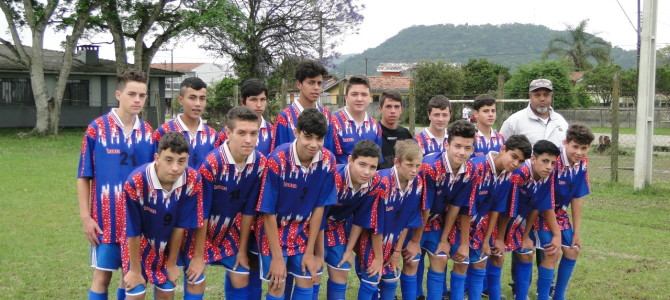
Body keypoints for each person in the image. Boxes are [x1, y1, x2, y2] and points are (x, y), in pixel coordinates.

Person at [77, 70, 155, 300]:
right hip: (105, 220)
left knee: (129, 277)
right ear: (118, 94)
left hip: (137, 221)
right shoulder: (97, 129)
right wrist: (85, 218)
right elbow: (83, 176)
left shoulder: (149, 133)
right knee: (102, 277)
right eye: (132, 94)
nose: (137, 100)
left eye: (142, 95)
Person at [257, 108, 337, 300]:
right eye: (308, 137)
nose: (313, 144)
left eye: (319, 138)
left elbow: (320, 208)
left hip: (303, 232)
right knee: (277, 284)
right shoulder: (277, 159)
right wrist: (277, 258)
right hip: (274, 231)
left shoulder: (328, 161)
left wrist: (311, 253)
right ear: (296, 132)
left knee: (306, 279)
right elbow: (267, 212)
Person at [190, 106, 267, 299]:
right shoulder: (212, 163)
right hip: (201, 231)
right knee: (194, 278)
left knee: (240, 275)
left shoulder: (260, 163)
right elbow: (202, 212)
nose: (248, 140)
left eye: (253, 133)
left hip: (232, 230)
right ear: (228, 133)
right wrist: (199, 257)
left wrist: (242, 251)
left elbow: (250, 210)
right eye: (241, 133)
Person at [121, 132, 204, 300]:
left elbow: (181, 225)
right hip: (140, 242)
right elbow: (132, 230)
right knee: (135, 293)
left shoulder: (193, 179)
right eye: (169, 160)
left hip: (168, 243)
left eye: (181, 161)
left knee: (166, 294)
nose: (175, 168)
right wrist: (135, 270)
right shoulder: (135, 182)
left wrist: (172, 263)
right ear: (157, 158)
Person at [411, 120, 478, 300]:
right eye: (457, 146)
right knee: (413, 258)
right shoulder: (430, 167)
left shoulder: (471, 170)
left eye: (467, 147)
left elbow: (459, 207)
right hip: (415, 219)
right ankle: (416, 295)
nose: (462, 152)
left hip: (437, 220)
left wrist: (444, 239)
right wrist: (415, 240)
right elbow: (424, 207)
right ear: (446, 144)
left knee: (441, 256)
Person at [465, 135, 532, 300]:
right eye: (513, 156)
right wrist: (464, 240)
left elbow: (497, 209)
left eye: (521, 161)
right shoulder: (476, 167)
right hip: (458, 223)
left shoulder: (508, 175)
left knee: (485, 259)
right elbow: (463, 208)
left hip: (481, 225)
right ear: (503, 149)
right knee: (458, 263)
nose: (516, 163)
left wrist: (488, 239)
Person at [355, 139, 424, 300]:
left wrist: (397, 252)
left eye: (418, 166)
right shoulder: (381, 182)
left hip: (394, 241)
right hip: (372, 241)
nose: (414, 170)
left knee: (391, 280)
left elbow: (408, 220)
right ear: (397, 162)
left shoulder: (417, 183)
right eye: (409, 164)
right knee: (371, 278)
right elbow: (375, 225)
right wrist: (378, 257)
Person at [540, 124, 594, 300]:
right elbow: (545, 199)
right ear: (565, 143)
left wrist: (577, 232)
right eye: (575, 146)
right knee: (552, 252)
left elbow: (577, 198)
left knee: (573, 250)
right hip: (540, 212)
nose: (579, 152)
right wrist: (556, 233)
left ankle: (559, 296)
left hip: (559, 214)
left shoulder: (583, 163)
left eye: (584, 148)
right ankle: (543, 296)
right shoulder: (552, 162)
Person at [324, 140, 383, 300]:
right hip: (313, 227)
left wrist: (349, 250)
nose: (367, 172)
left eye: (372, 167)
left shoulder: (375, 182)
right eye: (362, 164)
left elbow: (361, 218)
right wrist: (315, 252)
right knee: (311, 274)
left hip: (337, 227)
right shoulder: (333, 177)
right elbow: (317, 215)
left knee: (341, 270)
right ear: (350, 160)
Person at [505, 140, 561, 300]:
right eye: (545, 161)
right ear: (533, 159)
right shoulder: (519, 174)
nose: (549, 166)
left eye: (553, 163)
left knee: (528, 253)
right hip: (502, 217)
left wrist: (556, 235)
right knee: (493, 256)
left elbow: (540, 206)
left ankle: (528, 296)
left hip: (522, 219)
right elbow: (507, 207)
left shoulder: (547, 175)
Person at [153, 77, 217, 169]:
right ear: (180, 100)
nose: (198, 103)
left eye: (202, 98)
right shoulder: (163, 131)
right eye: (192, 98)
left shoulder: (212, 135)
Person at [273, 60, 335, 150]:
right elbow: (280, 153)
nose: (316, 87)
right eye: (311, 82)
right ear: (299, 84)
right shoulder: (285, 117)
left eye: (319, 83)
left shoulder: (326, 115)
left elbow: (329, 150)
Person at [330, 75, 383, 164]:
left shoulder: (375, 127)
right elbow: (328, 160)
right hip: (341, 177)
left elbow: (377, 161)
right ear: (346, 97)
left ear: (370, 98)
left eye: (364, 94)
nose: (359, 99)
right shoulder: (333, 123)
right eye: (354, 94)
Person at [500, 79, 568, 147]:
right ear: (530, 96)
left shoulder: (561, 122)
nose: (542, 99)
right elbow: (500, 148)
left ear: (551, 96)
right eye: (537, 95)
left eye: (546, 95)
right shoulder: (514, 122)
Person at [216, 78, 274, 156]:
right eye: (254, 99)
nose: (259, 105)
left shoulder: (272, 131)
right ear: (243, 101)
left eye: (263, 99)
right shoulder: (229, 132)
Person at [378, 91, 413, 170]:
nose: (393, 111)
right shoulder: (373, 132)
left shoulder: (406, 134)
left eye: (396, 107)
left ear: (401, 110)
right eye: (388, 106)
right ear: (380, 109)